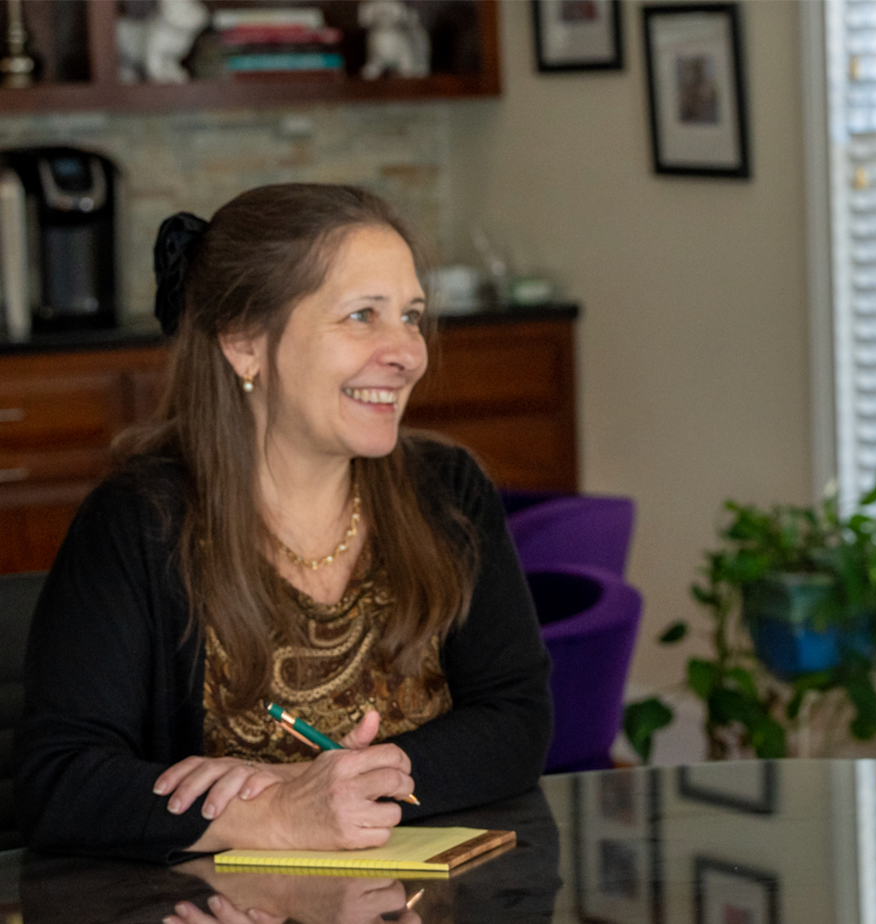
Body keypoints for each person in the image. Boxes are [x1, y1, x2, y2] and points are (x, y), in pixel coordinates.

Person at [17, 184, 554, 865]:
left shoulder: (446, 490)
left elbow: (516, 719)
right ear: (244, 343)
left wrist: (334, 788)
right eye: (362, 315)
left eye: (412, 316)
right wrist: (269, 812)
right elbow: (58, 782)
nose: (408, 353)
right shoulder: (139, 521)